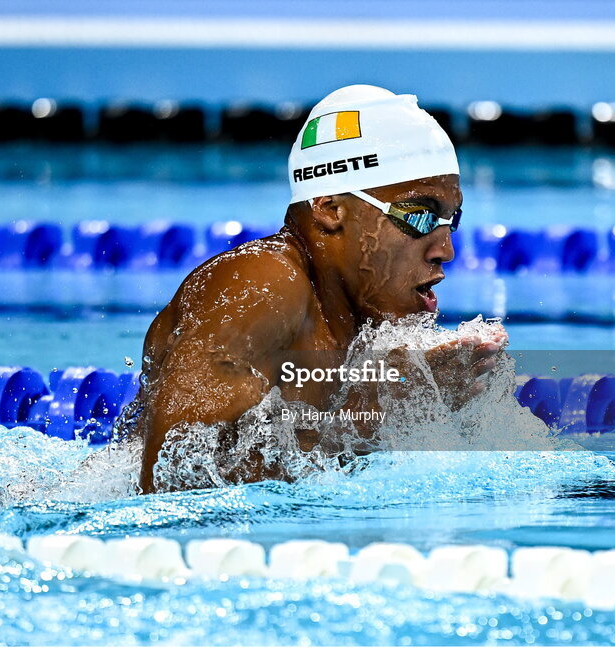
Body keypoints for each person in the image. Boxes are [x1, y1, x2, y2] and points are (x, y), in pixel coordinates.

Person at [135, 85, 507, 493]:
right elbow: (168, 481)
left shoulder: (358, 318)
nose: (445, 250)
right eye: (419, 216)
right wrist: (376, 410)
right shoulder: (262, 286)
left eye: (451, 220)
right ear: (331, 210)